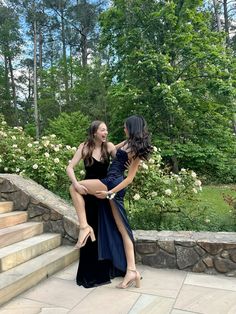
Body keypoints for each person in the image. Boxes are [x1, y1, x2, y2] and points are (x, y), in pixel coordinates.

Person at [68, 115, 152, 289]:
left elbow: (129, 178)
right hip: (109, 183)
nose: (123, 129)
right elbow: (119, 148)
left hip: (111, 185)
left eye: (125, 126)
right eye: (103, 129)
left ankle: (85, 228)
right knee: (121, 229)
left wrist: (109, 193)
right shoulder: (129, 144)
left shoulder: (132, 149)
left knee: (124, 230)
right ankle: (131, 270)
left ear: (131, 127)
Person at [67, 120, 125, 288]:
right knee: (91, 232)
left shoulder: (108, 147)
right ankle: (90, 274)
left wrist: (132, 139)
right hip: (87, 193)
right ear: (94, 132)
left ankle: (107, 270)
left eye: (106, 129)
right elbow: (70, 168)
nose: (105, 132)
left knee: (105, 232)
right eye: (102, 130)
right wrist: (76, 183)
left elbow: (119, 153)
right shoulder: (85, 147)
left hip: (102, 193)